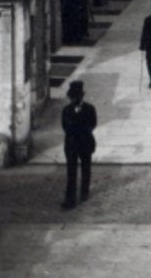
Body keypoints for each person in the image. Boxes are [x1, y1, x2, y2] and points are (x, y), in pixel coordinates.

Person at [61, 80, 97, 208]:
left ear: (81, 96)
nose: (73, 100)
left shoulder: (90, 109)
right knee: (71, 172)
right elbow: (65, 127)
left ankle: (84, 192)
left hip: (85, 143)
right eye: (72, 97)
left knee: (86, 169)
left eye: (76, 97)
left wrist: (79, 130)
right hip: (71, 145)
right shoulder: (66, 110)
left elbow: (93, 124)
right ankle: (70, 197)